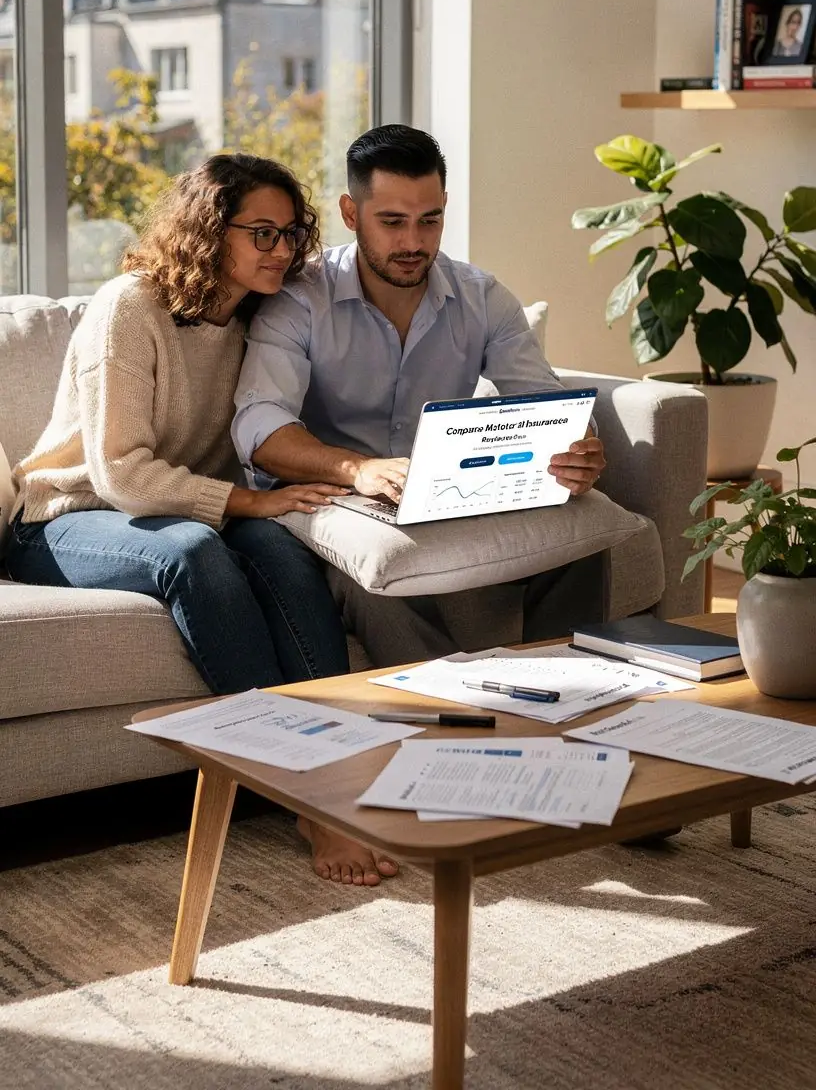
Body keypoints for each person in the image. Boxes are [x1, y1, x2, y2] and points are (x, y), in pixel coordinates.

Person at [7, 152, 397, 888]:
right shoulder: (130, 307)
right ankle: (305, 795)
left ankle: (341, 763)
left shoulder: (261, 315)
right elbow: (121, 470)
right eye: (262, 233)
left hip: (184, 508)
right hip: (63, 517)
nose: (281, 251)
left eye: (290, 234)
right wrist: (251, 502)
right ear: (209, 232)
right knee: (193, 551)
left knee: (284, 552)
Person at [232, 125, 608, 666]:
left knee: (582, 534)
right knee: (381, 577)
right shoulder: (300, 299)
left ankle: (570, 700)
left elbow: (542, 399)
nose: (413, 243)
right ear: (350, 212)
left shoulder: (483, 297)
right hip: (336, 498)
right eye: (392, 222)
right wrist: (358, 469)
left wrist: (578, 447)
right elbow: (260, 426)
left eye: (429, 220)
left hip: (446, 495)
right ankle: (447, 725)